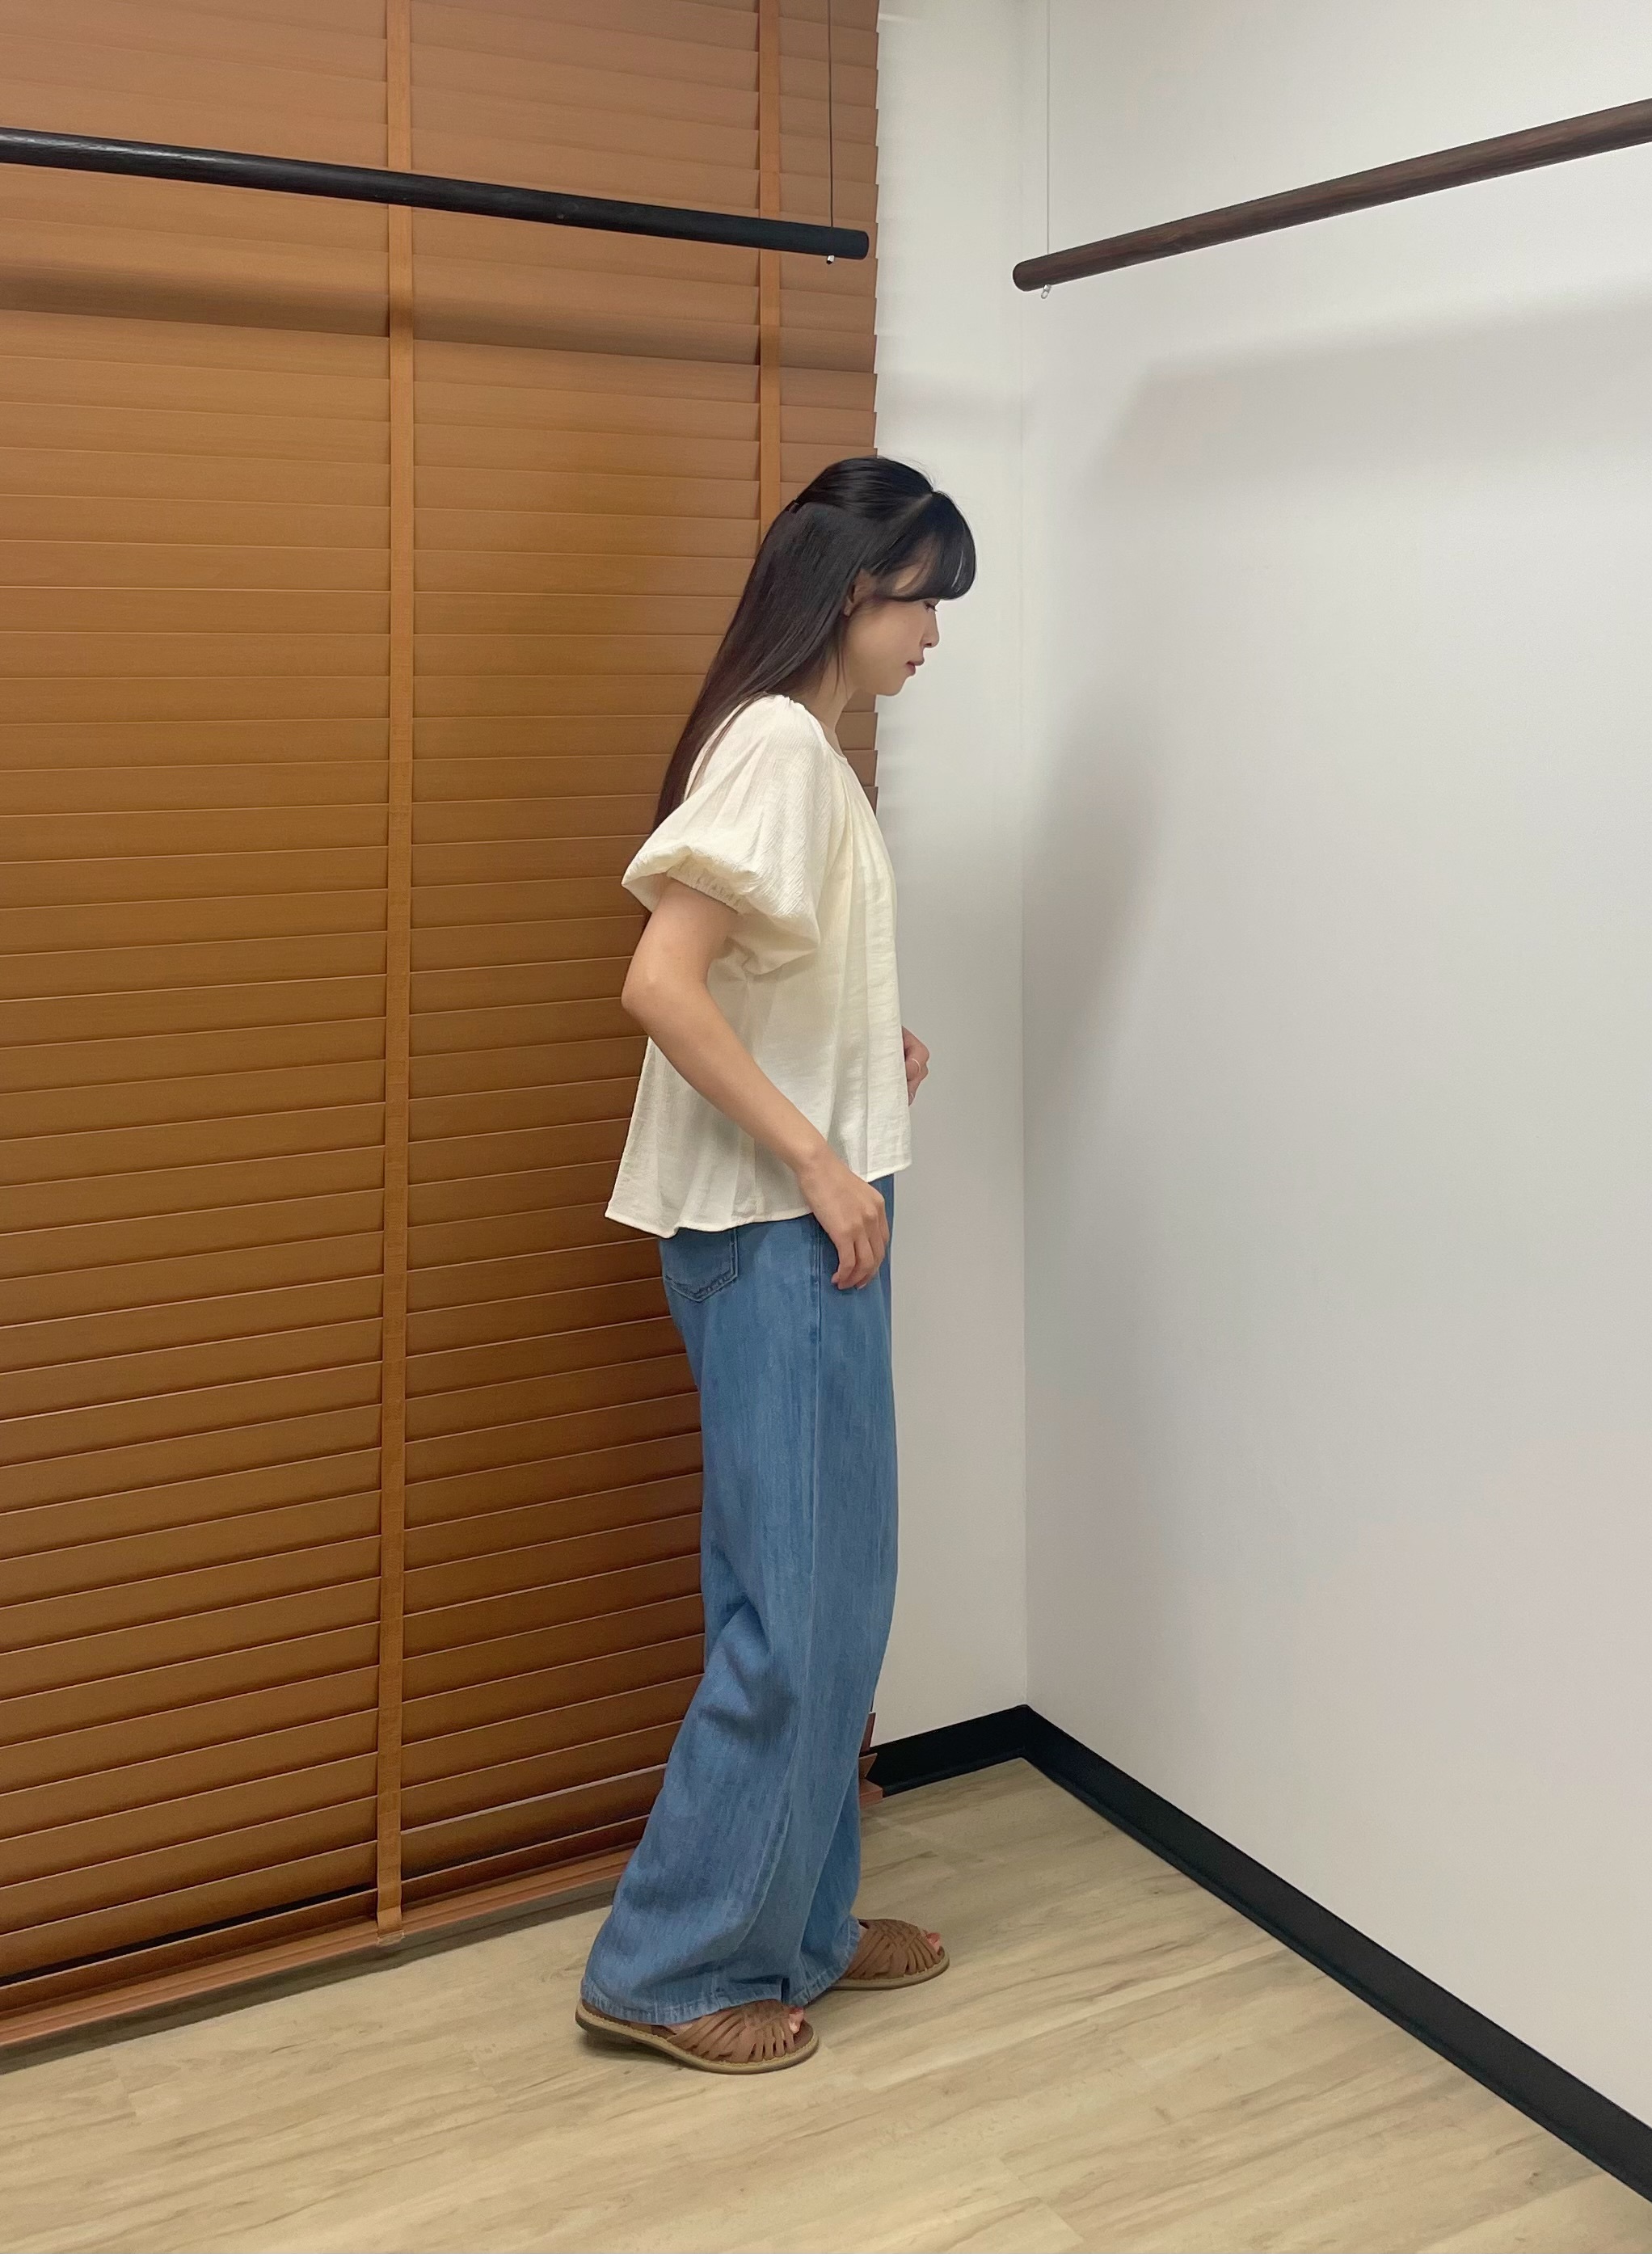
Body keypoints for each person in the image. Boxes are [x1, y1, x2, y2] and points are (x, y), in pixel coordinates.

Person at [573, 457, 976, 2074]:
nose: (934, 634)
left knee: (837, 1604)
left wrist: (863, 1045)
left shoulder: (810, 754)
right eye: (924, 600)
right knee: (790, 1617)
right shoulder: (777, 748)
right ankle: (669, 1967)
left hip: (815, 1232)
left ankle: (796, 1924)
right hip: (775, 1231)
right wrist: (814, 1152)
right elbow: (660, 983)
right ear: (853, 590)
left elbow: (755, 980)